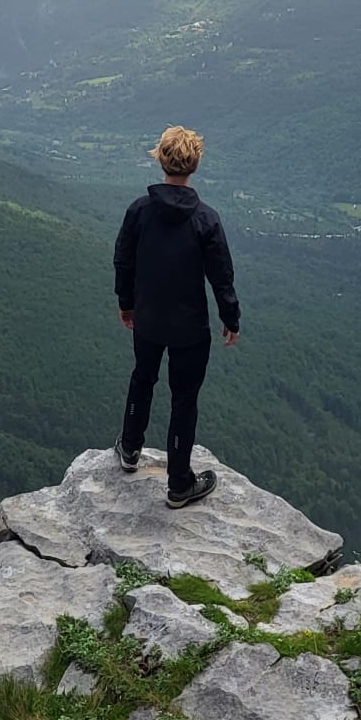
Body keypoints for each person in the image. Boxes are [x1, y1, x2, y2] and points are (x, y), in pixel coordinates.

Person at [113, 124, 240, 508]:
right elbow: (221, 275)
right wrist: (230, 317)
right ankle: (179, 484)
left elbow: (124, 261)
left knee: (143, 378)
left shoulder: (139, 211)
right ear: (195, 164)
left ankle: (130, 448)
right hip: (190, 327)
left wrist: (126, 303)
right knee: (184, 399)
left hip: (148, 317)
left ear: (160, 159)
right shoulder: (206, 220)